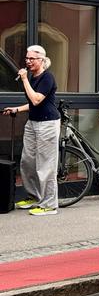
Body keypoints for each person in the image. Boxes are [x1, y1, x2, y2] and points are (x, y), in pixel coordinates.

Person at [1, 45, 60, 215]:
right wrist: (16, 109)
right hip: (33, 123)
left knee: (46, 166)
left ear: (42, 59)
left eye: (31, 58)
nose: (28, 61)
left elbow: (36, 100)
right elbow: (32, 104)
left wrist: (25, 79)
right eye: (27, 58)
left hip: (48, 124)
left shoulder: (47, 78)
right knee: (27, 163)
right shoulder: (33, 77)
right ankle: (34, 197)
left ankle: (49, 205)